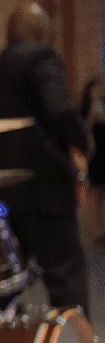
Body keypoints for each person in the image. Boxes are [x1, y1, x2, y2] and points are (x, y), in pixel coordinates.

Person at [0, 2, 91, 315]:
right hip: (44, 190)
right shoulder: (42, 57)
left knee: (8, 280)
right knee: (66, 277)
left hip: (3, 193)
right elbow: (60, 110)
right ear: (43, 32)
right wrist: (82, 143)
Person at [79, 77, 105, 248]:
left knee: (102, 194)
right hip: (94, 156)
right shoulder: (85, 109)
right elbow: (82, 130)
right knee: (94, 193)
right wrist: (91, 117)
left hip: (104, 152)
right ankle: (95, 232)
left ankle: (101, 229)